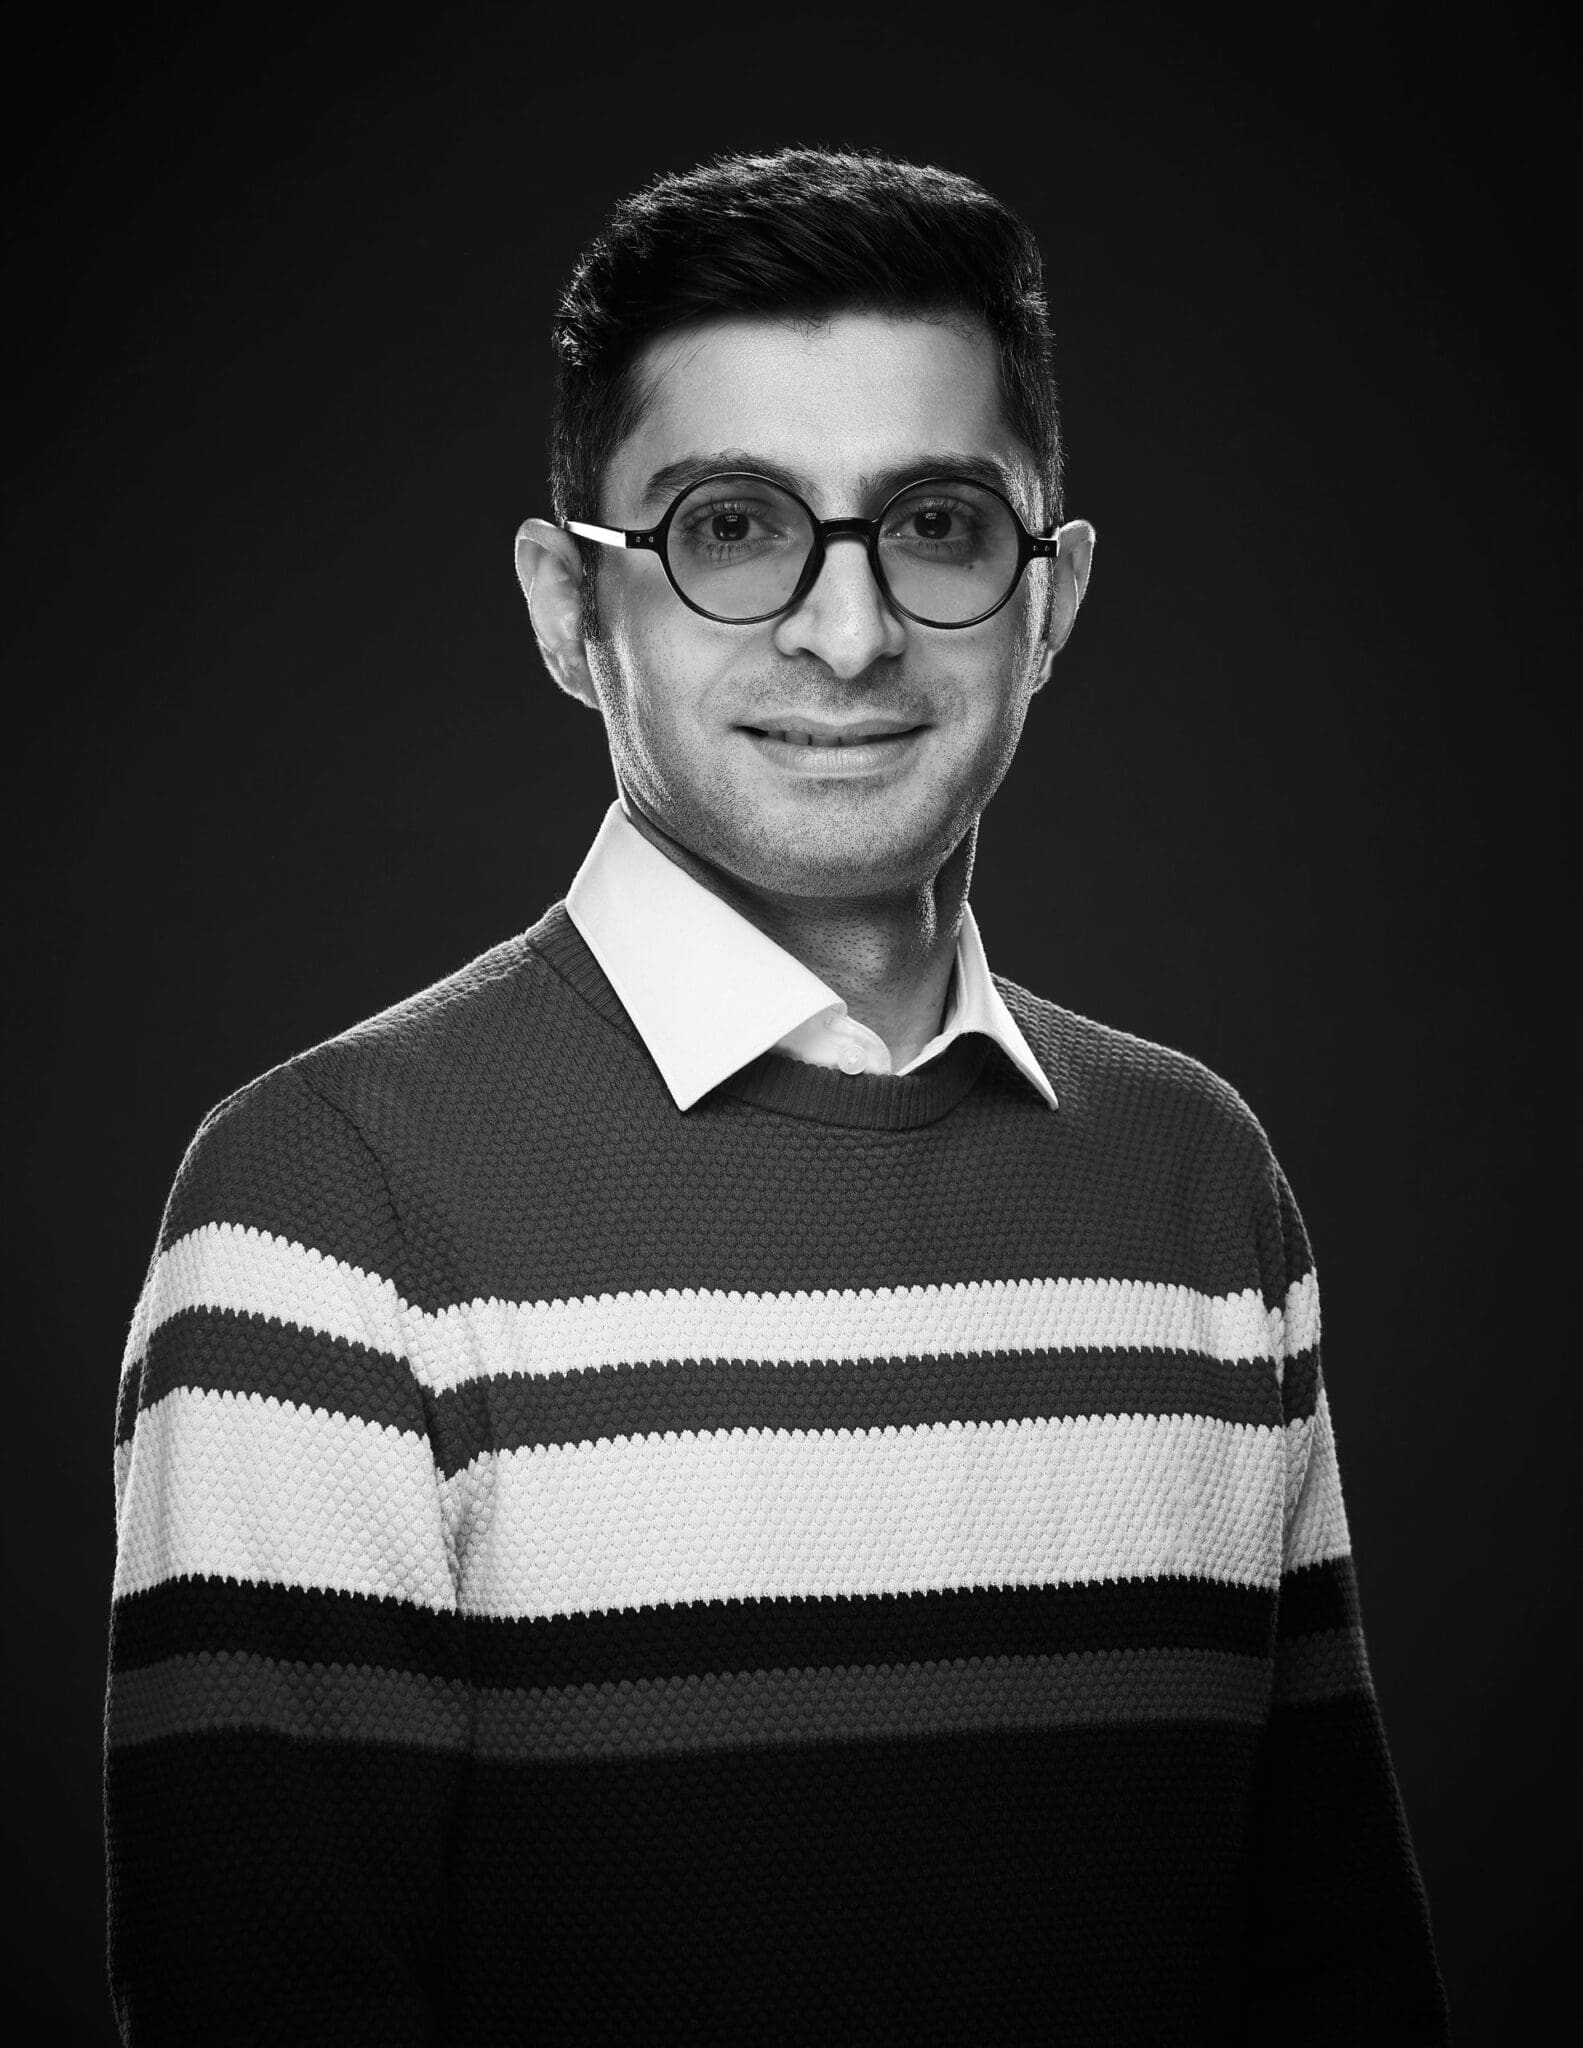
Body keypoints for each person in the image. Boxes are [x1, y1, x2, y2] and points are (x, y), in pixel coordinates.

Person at [105, 148, 1449, 2043]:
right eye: (731, 528)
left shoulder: (1201, 1188)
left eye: (938, 525)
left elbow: (1337, 1976)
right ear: (568, 608)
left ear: (1052, 598)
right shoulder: (323, 1212)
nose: (848, 631)